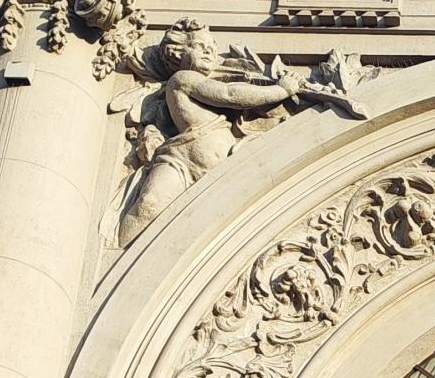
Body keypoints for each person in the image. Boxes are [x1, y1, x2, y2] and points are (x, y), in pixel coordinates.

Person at [117, 21, 302, 246]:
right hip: (180, 163)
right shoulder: (183, 78)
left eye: (212, 49)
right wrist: (281, 90)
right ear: (177, 53)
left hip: (224, 168)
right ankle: (121, 252)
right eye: (199, 46)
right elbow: (230, 94)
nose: (208, 52)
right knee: (149, 203)